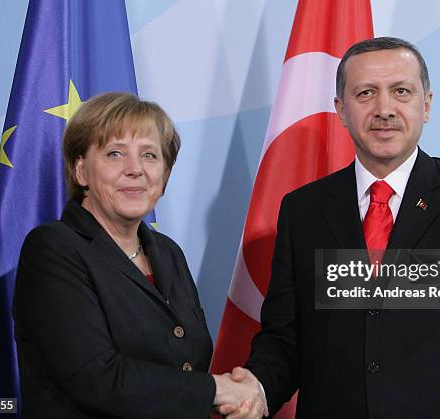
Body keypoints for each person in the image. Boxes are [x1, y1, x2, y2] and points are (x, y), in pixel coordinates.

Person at [226, 37, 440, 418]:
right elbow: (286, 339)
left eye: (401, 91)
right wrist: (257, 389)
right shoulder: (302, 211)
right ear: (341, 109)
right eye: (366, 93)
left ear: (425, 105)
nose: (384, 109)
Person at [13, 92, 263, 418]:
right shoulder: (53, 248)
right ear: (81, 172)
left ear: (165, 174)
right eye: (115, 154)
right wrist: (218, 390)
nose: (135, 169)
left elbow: (188, 365)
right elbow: (98, 378)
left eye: (150, 155)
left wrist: (235, 403)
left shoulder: (169, 253)